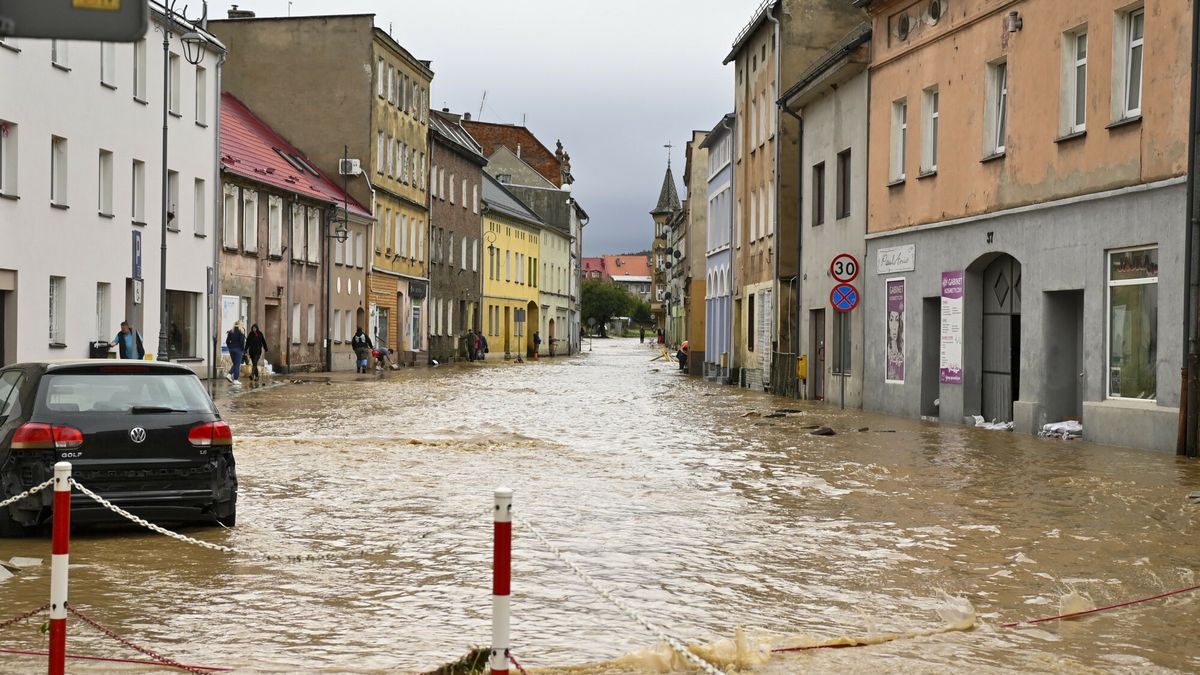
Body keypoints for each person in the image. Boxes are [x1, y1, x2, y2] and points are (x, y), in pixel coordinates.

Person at [225, 321, 247, 386]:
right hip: (238, 350)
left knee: (235, 364)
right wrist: (243, 350)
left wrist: (230, 347)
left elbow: (227, 341)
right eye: (242, 325)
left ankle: (230, 375)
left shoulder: (231, 331)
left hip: (231, 350)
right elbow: (242, 342)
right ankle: (235, 379)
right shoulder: (241, 331)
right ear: (240, 325)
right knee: (237, 365)